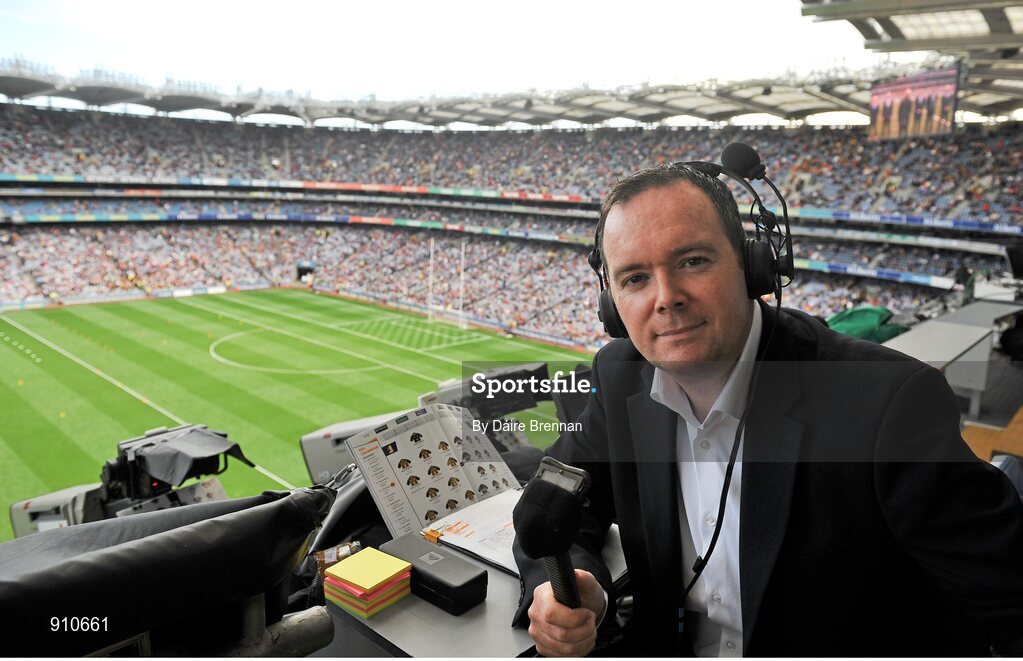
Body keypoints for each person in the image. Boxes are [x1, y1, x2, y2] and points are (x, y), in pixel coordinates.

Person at [512, 163, 1023, 656]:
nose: (666, 298)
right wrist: (574, 586)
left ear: (753, 265)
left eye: (692, 261)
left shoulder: (888, 403)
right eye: (635, 278)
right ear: (611, 305)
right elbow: (551, 507)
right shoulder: (619, 375)